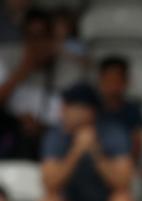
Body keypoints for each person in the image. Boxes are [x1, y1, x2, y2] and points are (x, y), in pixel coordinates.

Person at [37, 82, 135, 201]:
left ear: (89, 111)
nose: (62, 111)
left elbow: (123, 183)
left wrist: (96, 151)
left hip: (105, 200)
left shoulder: (114, 133)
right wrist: (76, 151)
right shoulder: (55, 135)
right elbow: (50, 184)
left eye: (69, 106)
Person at [0, 8, 84, 160]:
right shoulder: (7, 58)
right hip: (11, 134)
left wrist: (42, 127)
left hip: (54, 136)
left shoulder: (70, 69)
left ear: (51, 38)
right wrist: (23, 70)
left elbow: (77, 116)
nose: (36, 44)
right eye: (30, 37)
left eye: (41, 37)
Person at [96, 56, 142, 163]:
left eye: (117, 80)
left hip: (123, 165)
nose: (113, 86)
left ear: (125, 82)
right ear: (101, 81)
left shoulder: (133, 111)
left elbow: (138, 144)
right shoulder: (92, 108)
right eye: (109, 80)